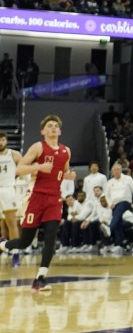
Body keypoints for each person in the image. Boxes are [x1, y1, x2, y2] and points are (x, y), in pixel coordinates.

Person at [0, 114, 74, 292]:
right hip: (37, 198)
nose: (53, 128)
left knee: (50, 238)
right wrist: (39, 167)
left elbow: (63, 171)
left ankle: (40, 278)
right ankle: (3, 245)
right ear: (43, 131)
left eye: (56, 126)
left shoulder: (66, 151)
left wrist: (69, 175)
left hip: (54, 199)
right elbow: (19, 169)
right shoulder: (38, 147)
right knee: (24, 241)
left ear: (60, 131)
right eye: (49, 126)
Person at [103, 163, 133, 253]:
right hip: (114, 204)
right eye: (114, 170)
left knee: (117, 214)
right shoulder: (110, 182)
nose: (116, 171)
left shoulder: (128, 179)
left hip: (125, 202)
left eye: (118, 169)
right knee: (118, 223)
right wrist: (110, 203)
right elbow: (106, 194)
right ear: (112, 171)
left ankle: (109, 228)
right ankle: (119, 245)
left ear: (121, 170)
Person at [0, 131, 22, 243]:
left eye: (2, 140)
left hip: (8, 189)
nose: (0, 142)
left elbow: (24, 170)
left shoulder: (14, 154)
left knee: (11, 222)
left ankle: (15, 250)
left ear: (6, 141)